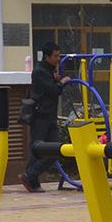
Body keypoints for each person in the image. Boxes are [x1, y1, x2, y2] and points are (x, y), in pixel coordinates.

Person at [19, 42, 70, 192]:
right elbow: (53, 90)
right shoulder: (40, 71)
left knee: (55, 149)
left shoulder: (49, 70)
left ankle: (30, 176)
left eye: (59, 55)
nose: (58, 59)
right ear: (47, 56)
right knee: (37, 149)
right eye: (55, 56)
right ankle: (31, 179)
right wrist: (62, 82)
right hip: (40, 116)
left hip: (50, 115)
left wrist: (56, 79)